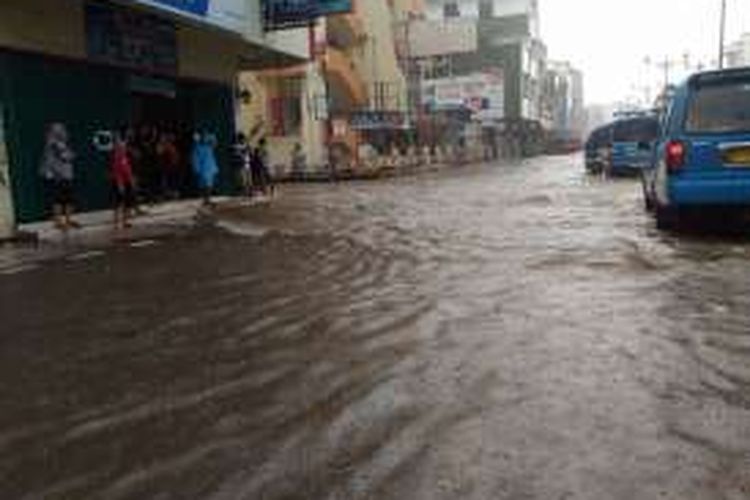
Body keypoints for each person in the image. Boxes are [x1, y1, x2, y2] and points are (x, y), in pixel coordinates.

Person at [39, 122, 79, 230]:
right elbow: (65, 156)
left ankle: (68, 220)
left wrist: (69, 155)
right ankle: (58, 221)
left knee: (68, 199)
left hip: (67, 175)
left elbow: (71, 155)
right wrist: (56, 173)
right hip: (58, 176)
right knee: (58, 200)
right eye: (59, 130)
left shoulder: (63, 143)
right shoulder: (52, 144)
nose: (63, 132)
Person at [110, 130, 136, 230]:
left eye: (124, 146)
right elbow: (116, 172)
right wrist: (120, 184)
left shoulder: (125, 156)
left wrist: (131, 180)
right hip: (120, 182)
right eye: (121, 146)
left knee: (127, 203)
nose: (123, 147)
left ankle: (125, 222)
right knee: (118, 203)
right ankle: (116, 223)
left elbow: (128, 170)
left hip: (126, 181)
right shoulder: (117, 157)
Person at [191, 131, 219, 207]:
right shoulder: (197, 147)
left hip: (209, 168)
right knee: (205, 185)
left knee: (209, 185)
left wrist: (210, 136)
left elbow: (215, 142)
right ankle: (206, 200)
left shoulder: (208, 146)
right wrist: (196, 169)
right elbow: (195, 159)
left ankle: (207, 200)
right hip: (203, 169)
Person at [157, 132, 181, 199]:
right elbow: (159, 152)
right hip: (165, 166)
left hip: (173, 166)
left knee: (173, 179)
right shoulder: (162, 145)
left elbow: (176, 155)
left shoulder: (172, 145)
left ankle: (174, 193)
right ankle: (167, 194)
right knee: (166, 180)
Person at [231, 133, 252, 197]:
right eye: (242, 139)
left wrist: (248, 149)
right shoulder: (236, 146)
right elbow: (236, 153)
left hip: (247, 164)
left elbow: (249, 152)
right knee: (243, 180)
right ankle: (245, 193)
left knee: (249, 180)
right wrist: (243, 152)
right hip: (242, 165)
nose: (243, 140)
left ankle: (249, 193)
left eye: (244, 139)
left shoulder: (245, 145)